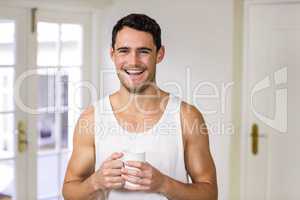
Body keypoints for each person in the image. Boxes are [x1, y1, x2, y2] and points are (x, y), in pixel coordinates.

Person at [62, 13, 218, 200]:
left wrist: (163, 184)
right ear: (112, 54)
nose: (133, 61)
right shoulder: (92, 118)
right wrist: (96, 181)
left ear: (159, 54)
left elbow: (209, 194)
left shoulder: (186, 116)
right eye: (124, 51)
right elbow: (69, 191)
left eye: (143, 51)